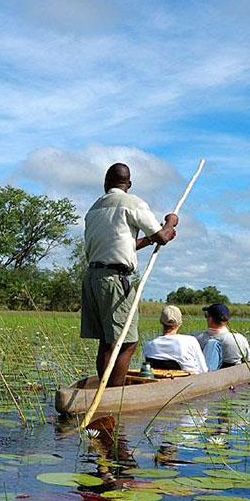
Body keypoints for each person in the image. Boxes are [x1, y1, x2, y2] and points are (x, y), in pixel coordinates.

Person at [81, 162, 179, 387]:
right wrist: (171, 221)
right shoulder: (132, 203)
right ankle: (113, 394)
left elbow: (123, 245)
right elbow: (163, 236)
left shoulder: (94, 208)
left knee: (107, 342)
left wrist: (153, 238)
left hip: (93, 278)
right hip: (115, 280)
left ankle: (104, 391)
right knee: (126, 342)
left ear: (106, 184)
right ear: (129, 184)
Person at [142, 305, 208, 374]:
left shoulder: (149, 345)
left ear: (161, 321)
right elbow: (203, 370)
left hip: (161, 381)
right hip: (188, 381)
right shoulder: (190, 341)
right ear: (180, 323)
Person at [192, 302, 250, 368]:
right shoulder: (239, 339)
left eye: (207, 316)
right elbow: (249, 360)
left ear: (211, 319)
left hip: (206, 374)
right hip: (234, 373)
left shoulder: (195, 338)